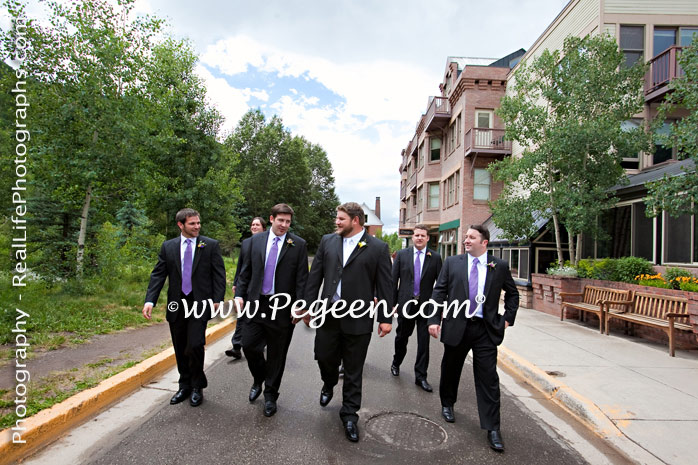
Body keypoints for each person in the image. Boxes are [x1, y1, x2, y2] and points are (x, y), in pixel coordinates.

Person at [304, 202, 393, 443]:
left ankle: (350, 415)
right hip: (328, 314)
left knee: (354, 369)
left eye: (340, 218)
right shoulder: (328, 242)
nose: (336, 222)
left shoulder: (377, 248)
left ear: (355, 220)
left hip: (359, 318)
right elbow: (316, 276)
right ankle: (329, 382)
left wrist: (385, 318)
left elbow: (385, 286)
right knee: (324, 356)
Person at [428, 225, 519, 452]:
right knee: (451, 368)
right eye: (465, 237)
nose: (466, 241)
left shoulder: (499, 266)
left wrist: (507, 319)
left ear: (484, 242)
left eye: (471, 237)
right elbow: (439, 292)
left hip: (485, 330)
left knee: (488, 378)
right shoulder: (453, 263)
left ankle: (493, 428)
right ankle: (447, 403)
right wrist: (433, 319)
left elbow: (512, 293)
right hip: (458, 326)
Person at [143, 208, 226, 407]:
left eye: (198, 223)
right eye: (192, 224)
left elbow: (219, 274)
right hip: (176, 304)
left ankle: (197, 386)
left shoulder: (210, 245)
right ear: (181, 225)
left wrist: (217, 299)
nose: (197, 227)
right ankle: (184, 385)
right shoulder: (168, 247)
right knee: (180, 346)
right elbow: (158, 274)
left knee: (195, 344)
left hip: (200, 303)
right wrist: (150, 300)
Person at [234, 204, 308, 417]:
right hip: (256, 304)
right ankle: (259, 378)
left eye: (288, 222)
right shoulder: (254, 241)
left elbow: (302, 278)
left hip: (283, 309)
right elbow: (245, 271)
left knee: (277, 354)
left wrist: (301, 305)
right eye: (280, 220)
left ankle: (270, 395)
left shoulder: (298, 245)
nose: (284, 225)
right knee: (248, 345)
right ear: (272, 219)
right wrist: (239, 294)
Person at [390, 224, 442, 392]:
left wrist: (438, 308)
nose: (419, 238)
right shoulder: (402, 255)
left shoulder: (435, 258)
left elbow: (441, 286)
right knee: (401, 338)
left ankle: (421, 376)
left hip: (426, 307)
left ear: (428, 238)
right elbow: (393, 281)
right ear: (412, 238)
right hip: (406, 305)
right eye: (417, 235)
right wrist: (392, 303)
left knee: (424, 343)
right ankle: (396, 362)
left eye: (423, 235)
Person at [226, 217, 266, 358]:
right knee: (242, 315)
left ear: (264, 228)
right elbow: (242, 266)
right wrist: (236, 283)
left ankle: (260, 341)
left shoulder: (267, 243)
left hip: (259, 288)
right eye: (252, 225)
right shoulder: (246, 243)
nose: (254, 227)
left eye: (257, 225)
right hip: (245, 286)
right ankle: (236, 346)